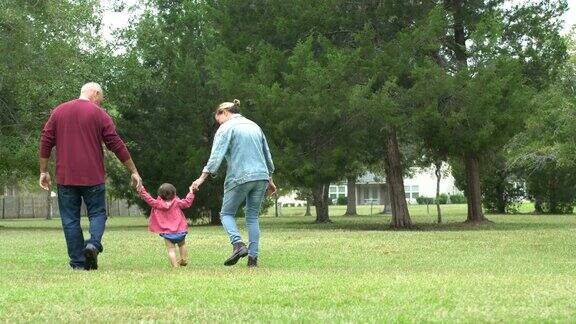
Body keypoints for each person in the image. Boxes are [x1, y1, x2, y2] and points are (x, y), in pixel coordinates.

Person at [39, 82, 142, 270]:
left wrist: (43, 171)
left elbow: (46, 140)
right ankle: (93, 244)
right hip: (93, 177)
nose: (100, 104)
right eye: (100, 100)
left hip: (66, 177)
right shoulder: (99, 114)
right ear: (95, 93)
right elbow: (116, 143)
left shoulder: (59, 111)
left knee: (70, 219)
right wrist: (133, 171)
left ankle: (78, 263)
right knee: (97, 213)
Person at [191, 99, 276, 268]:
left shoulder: (226, 127)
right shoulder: (254, 126)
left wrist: (201, 178)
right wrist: (270, 179)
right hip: (261, 177)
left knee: (226, 214)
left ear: (224, 112)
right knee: (252, 217)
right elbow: (267, 155)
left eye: (218, 119)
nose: (218, 124)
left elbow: (216, 156)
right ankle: (253, 261)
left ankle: (238, 245)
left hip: (240, 177)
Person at [137, 183, 195, 268]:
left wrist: (141, 189)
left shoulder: (157, 204)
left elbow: (148, 198)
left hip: (167, 233)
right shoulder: (177, 202)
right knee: (182, 245)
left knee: (171, 250)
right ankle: (183, 259)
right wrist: (191, 192)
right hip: (180, 231)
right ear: (174, 193)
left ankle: (175, 266)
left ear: (160, 195)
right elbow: (187, 202)